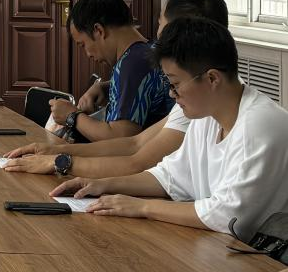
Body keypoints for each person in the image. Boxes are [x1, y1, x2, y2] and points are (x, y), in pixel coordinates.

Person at [52, 17, 288, 239]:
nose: (171, 94)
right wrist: (104, 184)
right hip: (221, 245)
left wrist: (143, 207)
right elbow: (171, 176)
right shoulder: (206, 115)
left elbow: (226, 214)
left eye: (175, 84)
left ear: (212, 78)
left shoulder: (258, 127)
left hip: (262, 257)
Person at [4, 0, 228, 177]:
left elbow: (128, 144)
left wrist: (72, 121)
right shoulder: (145, 59)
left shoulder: (135, 63)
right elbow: (135, 144)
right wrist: (57, 152)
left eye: (161, 23)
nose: (158, 31)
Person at [46, 0, 173, 143]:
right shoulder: (148, 50)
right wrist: (105, 87)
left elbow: (120, 138)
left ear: (98, 30)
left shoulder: (131, 64)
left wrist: (72, 116)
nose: (88, 54)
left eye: (83, 44)